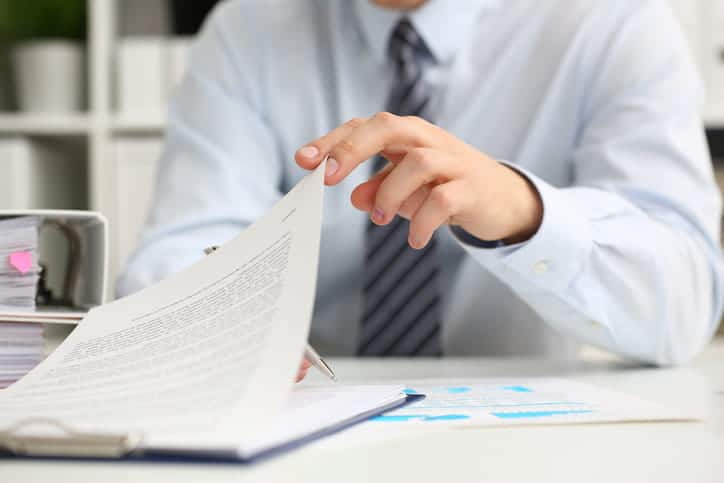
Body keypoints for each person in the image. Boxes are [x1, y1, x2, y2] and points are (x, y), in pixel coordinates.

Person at [117, 0, 724, 380]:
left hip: (526, 436)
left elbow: (685, 305)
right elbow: (181, 247)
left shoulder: (616, 22)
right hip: (304, 418)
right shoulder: (246, 27)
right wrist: (221, 318)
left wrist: (524, 212)